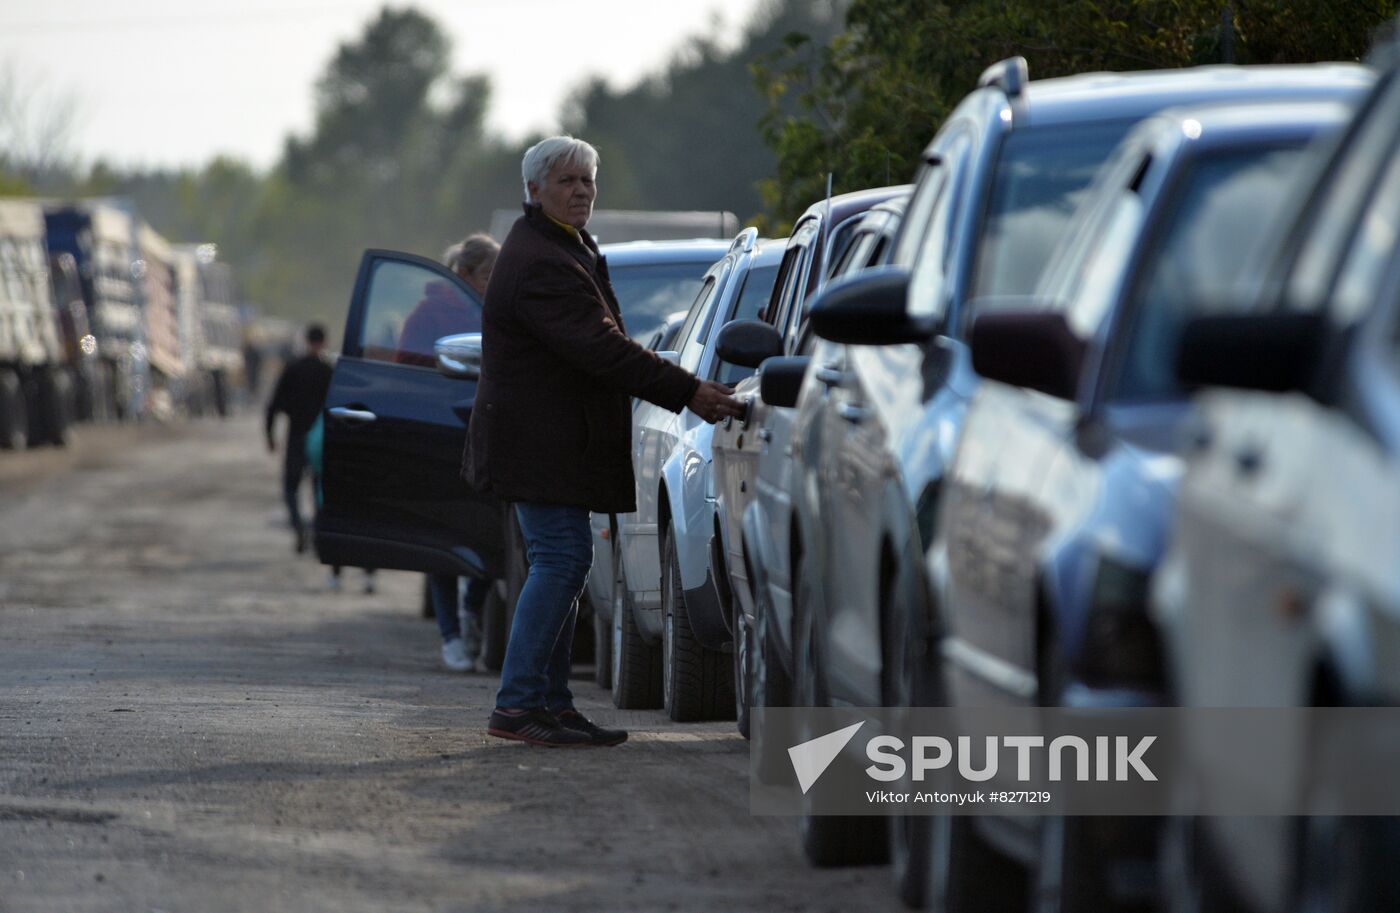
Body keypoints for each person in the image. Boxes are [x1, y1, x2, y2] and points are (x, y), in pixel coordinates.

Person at [463, 136, 744, 747]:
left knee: (564, 561)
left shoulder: (562, 246)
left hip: (550, 444)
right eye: (566, 181)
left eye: (587, 180)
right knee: (562, 561)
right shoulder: (543, 259)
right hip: (538, 445)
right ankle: (519, 704)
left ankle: (550, 704)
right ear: (534, 189)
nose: (581, 191)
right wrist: (688, 389)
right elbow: (601, 347)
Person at [408, 234, 501, 672]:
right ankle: (450, 634)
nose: (493, 283)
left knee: (488, 532)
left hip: (484, 438)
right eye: (487, 275)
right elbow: (409, 370)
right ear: (464, 274)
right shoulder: (426, 315)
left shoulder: (496, 310)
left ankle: (471, 609)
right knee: (442, 540)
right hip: (439, 434)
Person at [265, 323, 333, 554]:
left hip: (296, 436)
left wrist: (270, 436)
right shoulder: (328, 371)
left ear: (306, 340)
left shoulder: (293, 368)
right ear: (324, 342)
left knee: (290, 488)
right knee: (319, 490)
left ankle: (298, 525)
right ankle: (317, 532)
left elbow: (273, 404)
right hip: (320, 441)